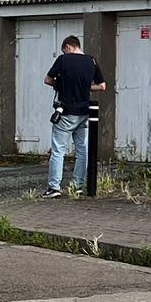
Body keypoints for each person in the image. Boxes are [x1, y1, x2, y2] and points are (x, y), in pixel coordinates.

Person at [43, 34, 105, 197]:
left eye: (64, 50)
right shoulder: (91, 61)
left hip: (65, 112)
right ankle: (77, 186)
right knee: (82, 150)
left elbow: (48, 79)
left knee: (58, 150)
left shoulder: (63, 60)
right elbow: (102, 86)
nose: (65, 53)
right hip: (84, 112)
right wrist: (86, 87)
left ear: (68, 47)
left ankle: (54, 188)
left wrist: (62, 85)